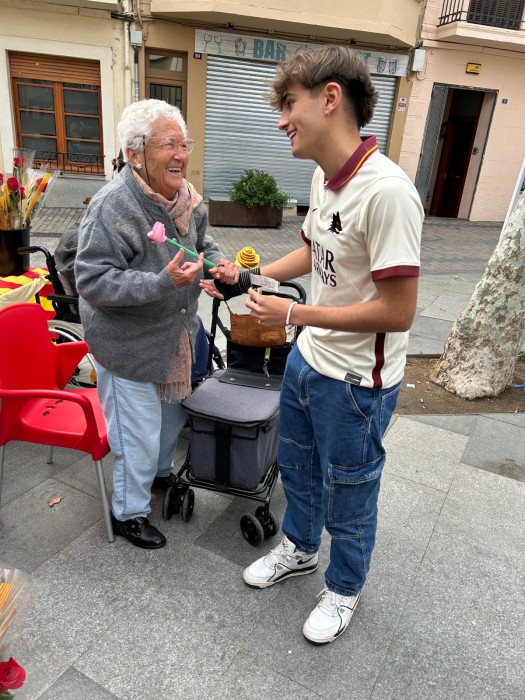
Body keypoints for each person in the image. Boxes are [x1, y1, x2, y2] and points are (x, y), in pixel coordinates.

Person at [208, 46, 424, 643]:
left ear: (330, 98)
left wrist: (293, 312)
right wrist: (251, 277)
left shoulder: (388, 192)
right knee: (299, 471)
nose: (281, 120)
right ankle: (300, 549)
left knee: (350, 492)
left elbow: (399, 311)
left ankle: (345, 587)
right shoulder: (324, 178)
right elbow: (313, 249)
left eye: (288, 104)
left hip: (357, 383)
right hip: (308, 361)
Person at [75, 99, 237, 549]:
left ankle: (160, 475)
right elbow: (91, 280)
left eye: (184, 144)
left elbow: (203, 243)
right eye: (169, 145)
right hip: (127, 347)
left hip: (175, 339)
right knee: (137, 434)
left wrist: (218, 266)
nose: (181, 155)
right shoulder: (113, 206)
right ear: (135, 153)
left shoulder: (187, 199)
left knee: (171, 418)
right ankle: (127, 513)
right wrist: (161, 282)